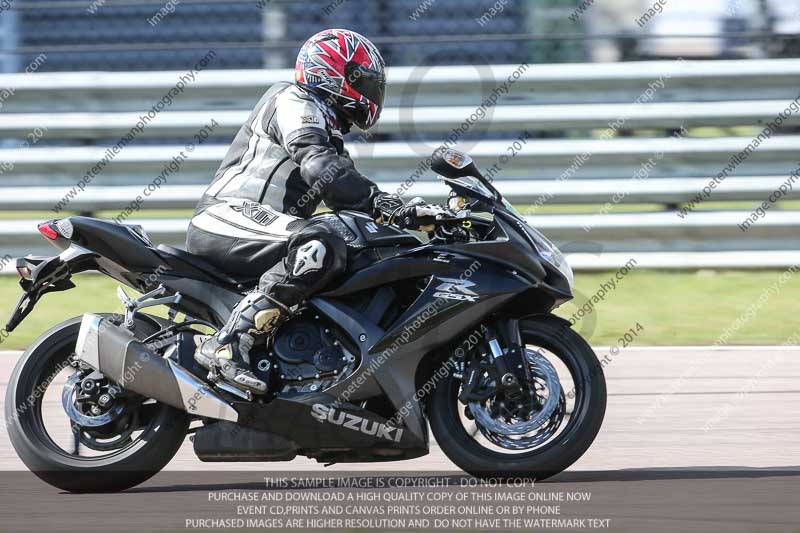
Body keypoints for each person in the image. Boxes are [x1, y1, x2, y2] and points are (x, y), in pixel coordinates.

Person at [186, 28, 451, 395]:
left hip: (264, 227)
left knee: (362, 247)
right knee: (320, 244)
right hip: (226, 216)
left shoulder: (327, 128)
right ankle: (228, 343)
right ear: (329, 72)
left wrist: (410, 214)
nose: (373, 90)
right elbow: (317, 165)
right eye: (363, 79)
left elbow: (347, 192)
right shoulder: (292, 99)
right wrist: (383, 204)